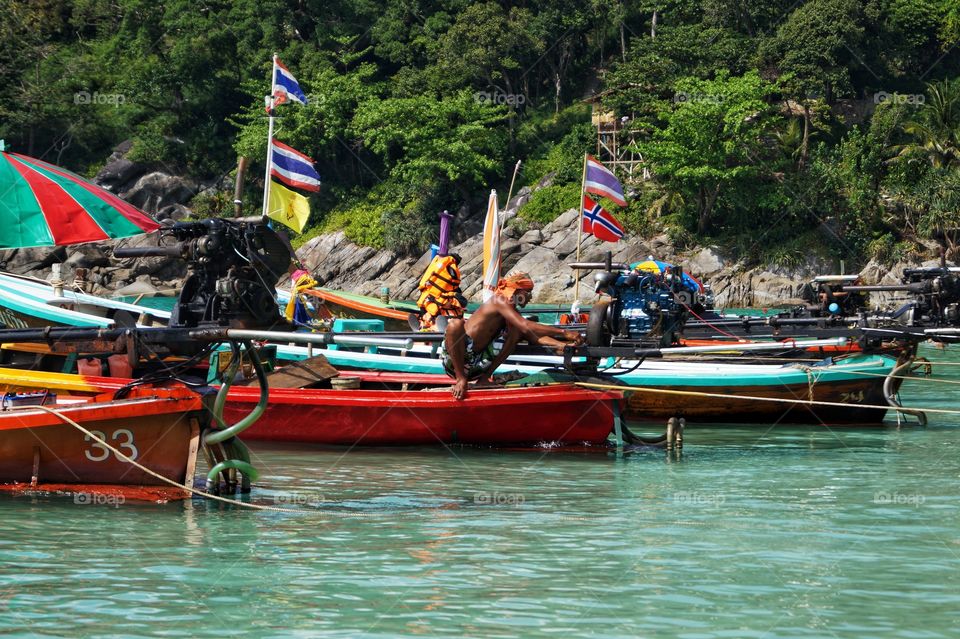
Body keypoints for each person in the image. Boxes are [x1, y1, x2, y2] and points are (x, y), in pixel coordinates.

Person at [441, 273, 584, 400]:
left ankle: (484, 379)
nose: (530, 297)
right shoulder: (499, 301)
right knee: (455, 324)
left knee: (517, 331)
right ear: (517, 291)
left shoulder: (511, 311)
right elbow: (526, 325)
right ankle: (460, 379)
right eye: (528, 292)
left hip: (478, 366)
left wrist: (562, 345)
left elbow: (531, 334)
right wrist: (564, 332)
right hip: (455, 363)